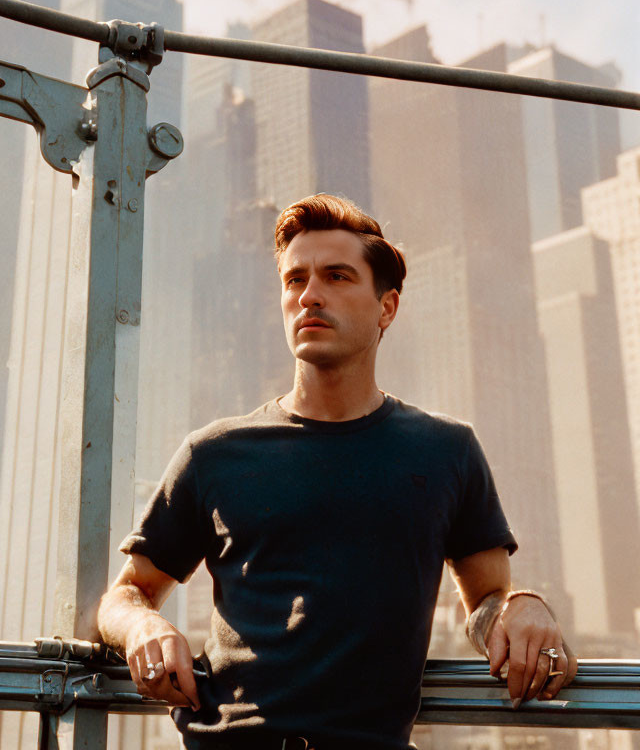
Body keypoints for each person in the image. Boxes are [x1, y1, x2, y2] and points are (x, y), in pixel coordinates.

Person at [98, 194, 577, 750]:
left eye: (337, 276)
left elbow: (486, 602)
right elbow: (127, 593)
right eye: (294, 279)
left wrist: (524, 605)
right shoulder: (215, 452)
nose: (309, 296)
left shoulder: (447, 451)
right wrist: (145, 628)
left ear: (386, 307)